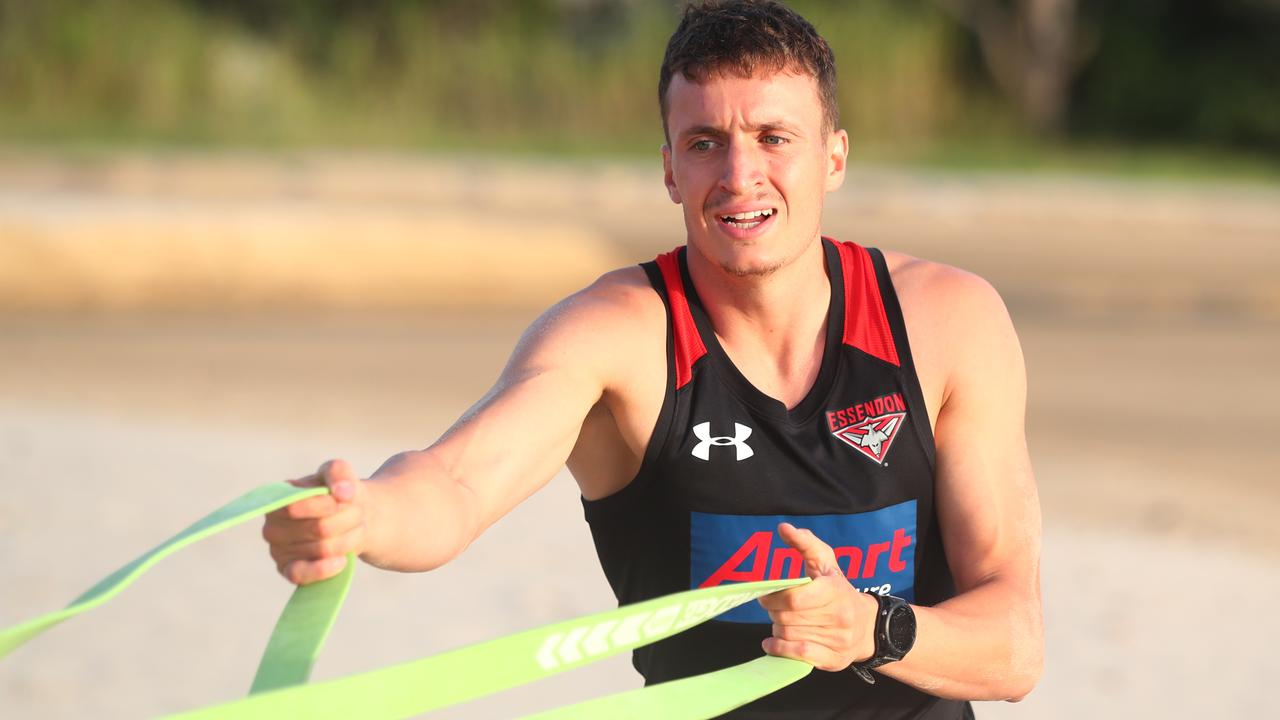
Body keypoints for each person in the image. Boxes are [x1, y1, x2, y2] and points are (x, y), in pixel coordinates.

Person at [261, 1, 1043, 717]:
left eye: (775, 138)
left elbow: (1013, 644)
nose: (740, 176)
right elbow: (456, 484)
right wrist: (362, 516)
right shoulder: (616, 336)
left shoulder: (944, 321)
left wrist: (872, 628)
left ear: (833, 158)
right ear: (670, 167)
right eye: (706, 144)